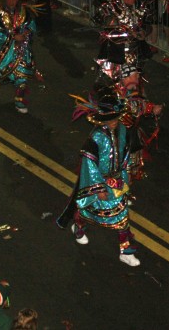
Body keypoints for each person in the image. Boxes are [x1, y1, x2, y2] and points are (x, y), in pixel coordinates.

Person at [59, 84, 139, 266]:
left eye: (116, 118)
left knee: (122, 217)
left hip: (117, 181)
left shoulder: (122, 130)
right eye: (110, 119)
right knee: (87, 211)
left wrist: (126, 173)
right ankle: (78, 227)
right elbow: (89, 165)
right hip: (100, 182)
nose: (114, 121)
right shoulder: (96, 138)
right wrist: (99, 188)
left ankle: (125, 252)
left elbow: (125, 153)